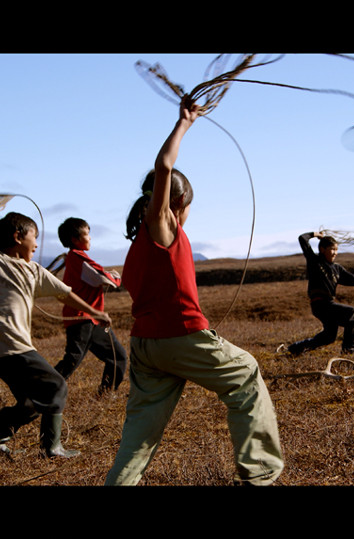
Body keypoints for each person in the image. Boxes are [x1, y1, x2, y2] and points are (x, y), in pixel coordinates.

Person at [104, 96, 284, 486]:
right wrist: (185, 123)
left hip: (146, 346)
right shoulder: (162, 226)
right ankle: (261, 476)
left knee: (139, 435)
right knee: (247, 374)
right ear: (179, 203)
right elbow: (164, 166)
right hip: (180, 337)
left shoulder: (137, 247)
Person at [0, 209, 112, 458]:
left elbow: (65, 293)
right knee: (57, 385)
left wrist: (94, 313)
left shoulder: (33, 271)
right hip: (9, 347)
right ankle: (51, 448)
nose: (36, 243)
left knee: (31, 402)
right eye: (33, 237)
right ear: (17, 237)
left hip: (5, 350)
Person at [53, 217, 128, 396]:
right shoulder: (78, 257)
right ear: (75, 239)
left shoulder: (75, 258)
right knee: (72, 360)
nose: (90, 238)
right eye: (87, 234)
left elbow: (98, 275)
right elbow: (100, 278)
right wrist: (116, 277)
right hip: (82, 319)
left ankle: (105, 396)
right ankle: (41, 390)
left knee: (117, 356)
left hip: (92, 320)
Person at [287, 231, 354, 356]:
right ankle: (350, 350)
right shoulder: (314, 261)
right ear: (322, 249)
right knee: (351, 313)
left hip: (329, 304)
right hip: (320, 304)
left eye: (336, 250)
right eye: (332, 249)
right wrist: (316, 234)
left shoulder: (337, 269)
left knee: (329, 337)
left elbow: (353, 280)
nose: (335, 253)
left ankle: (296, 348)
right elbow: (302, 239)